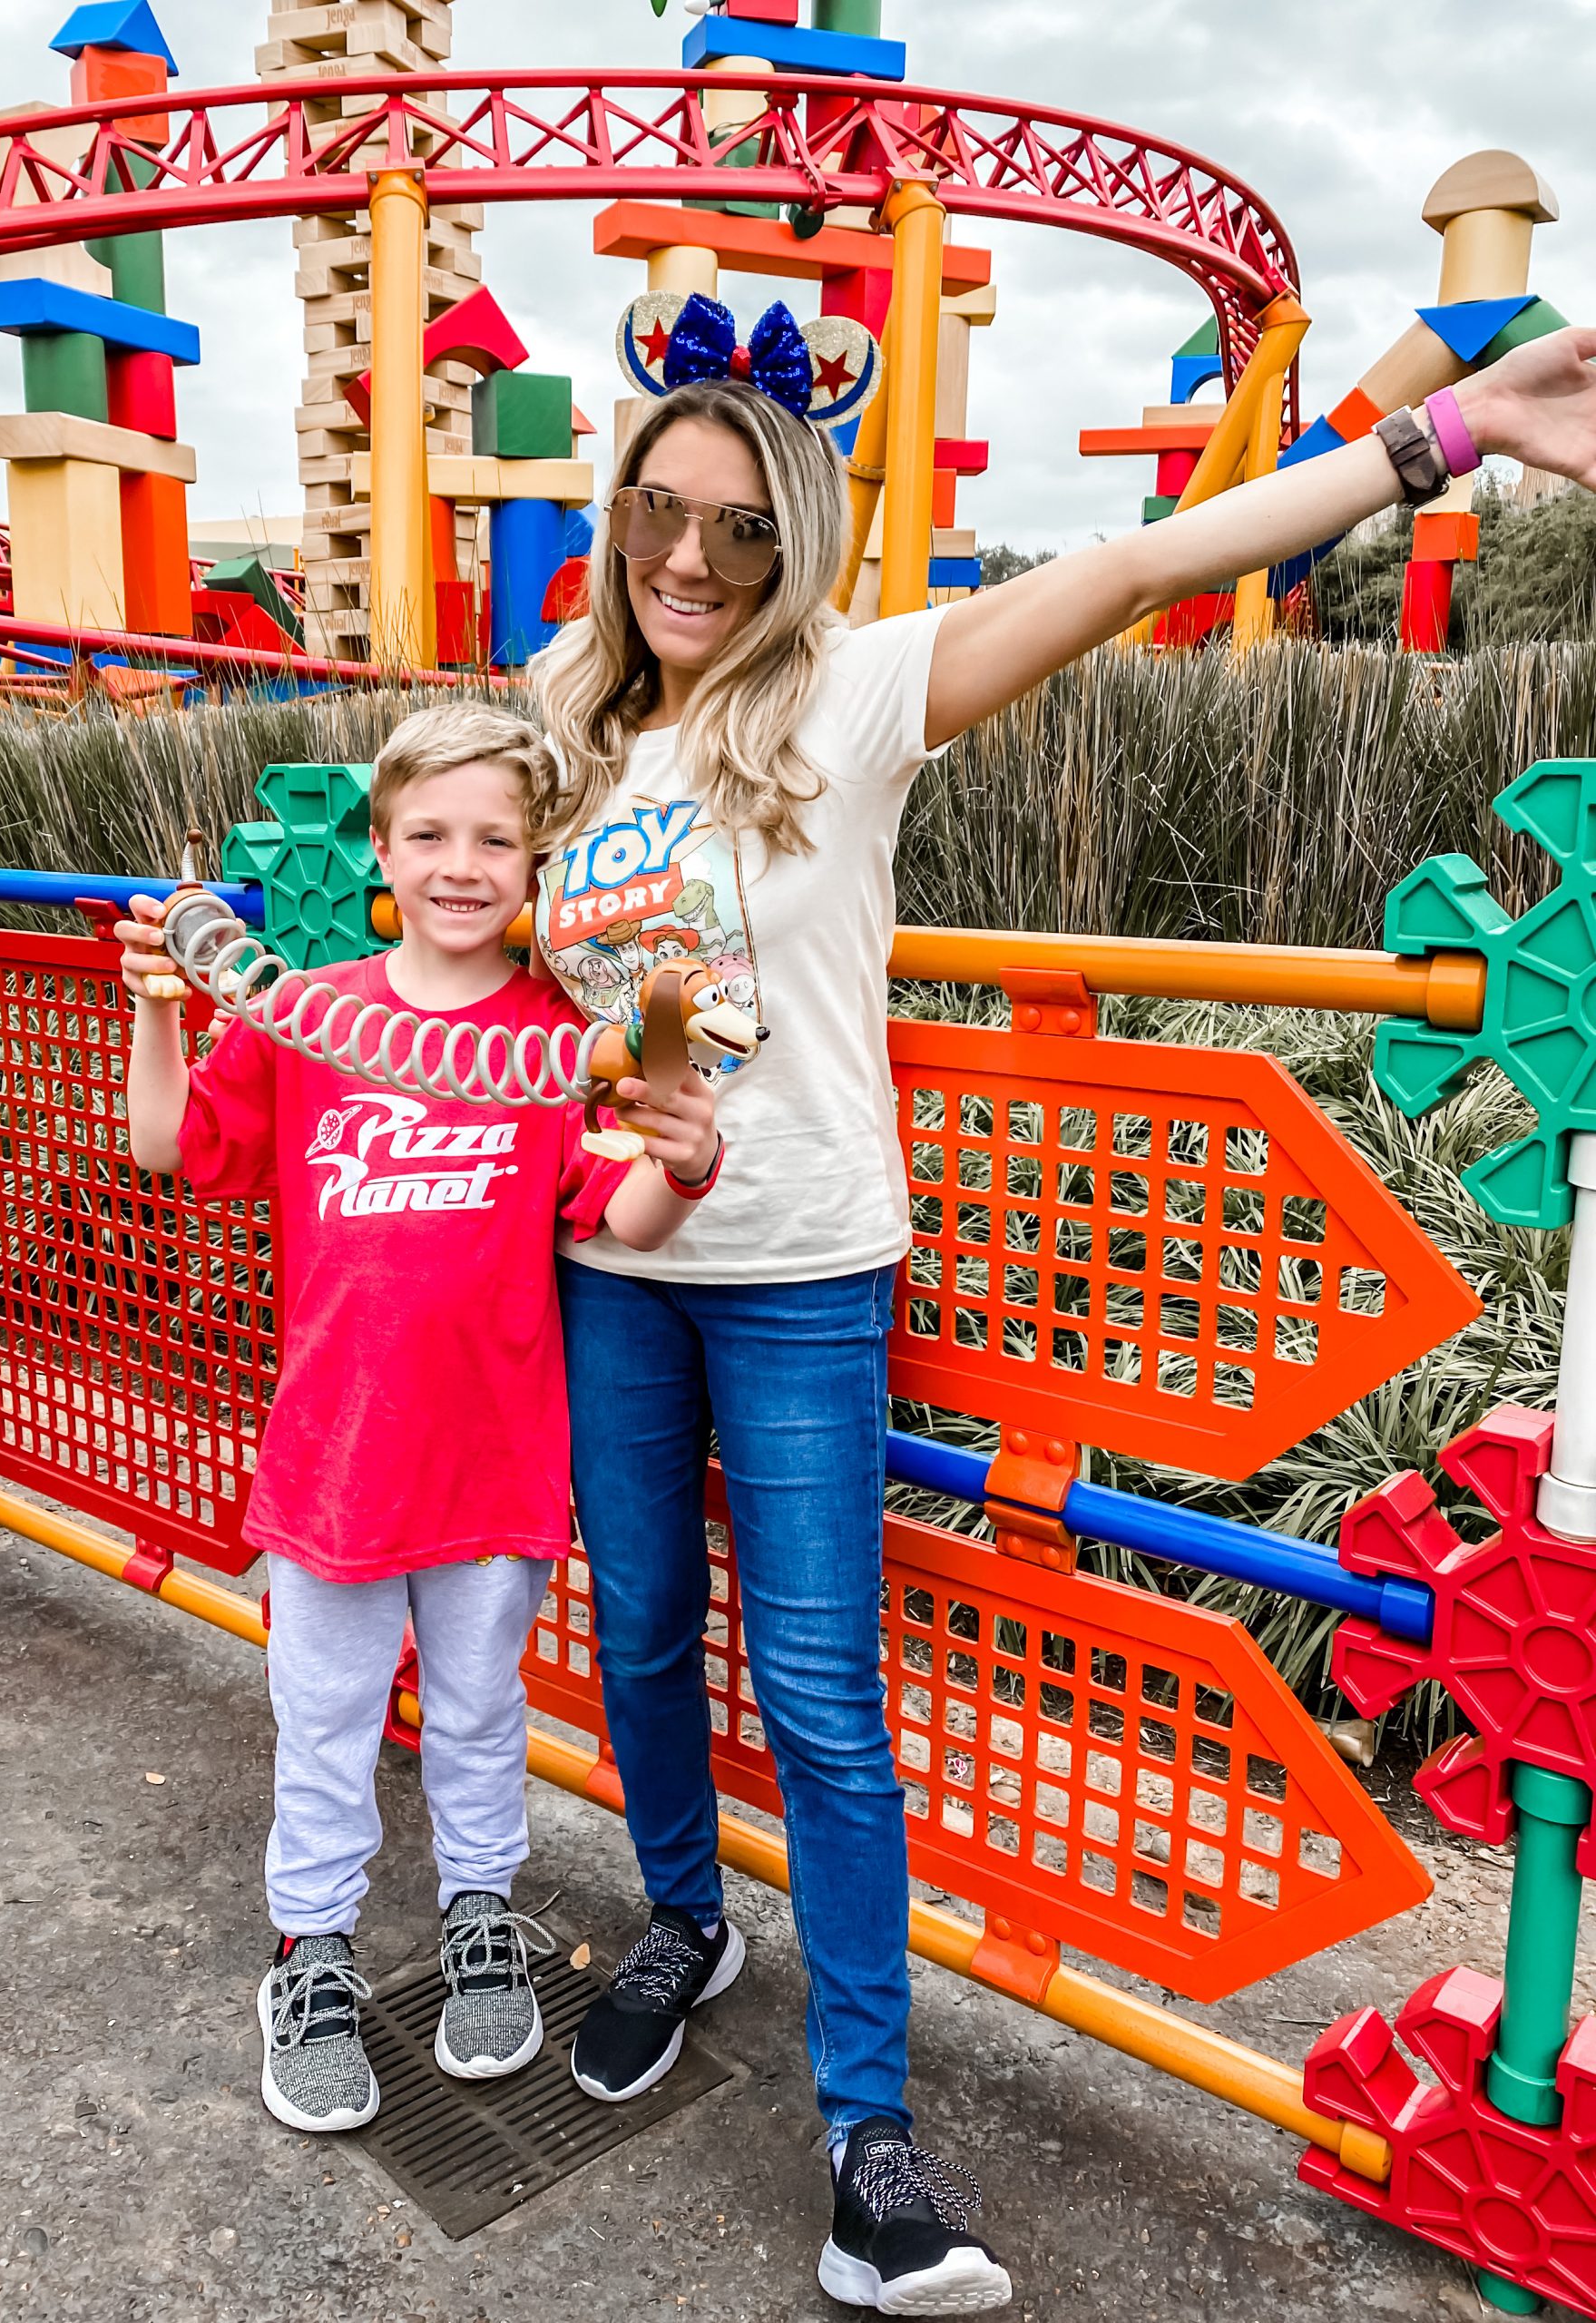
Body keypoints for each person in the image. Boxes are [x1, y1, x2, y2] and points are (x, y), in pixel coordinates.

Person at [530, 319, 1596, 2316]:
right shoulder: (561, 715)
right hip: (608, 1267)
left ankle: (868, 2142)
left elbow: (1135, 573)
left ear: (795, 546)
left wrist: (1439, 436)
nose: (687, 558)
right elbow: (531, 977)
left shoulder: (846, 693)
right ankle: (684, 1920)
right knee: (649, 1624)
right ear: (615, 521)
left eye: (736, 533)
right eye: (657, 514)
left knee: (831, 1710)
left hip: (793, 1273)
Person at [116, 703, 720, 2133]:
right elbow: (171, 1150)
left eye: (498, 839)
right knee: (321, 1718)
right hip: (332, 1458)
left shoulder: (569, 1039)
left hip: (494, 1456)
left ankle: (478, 1918)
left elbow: (616, 1214)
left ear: (538, 865)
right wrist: (157, 1005)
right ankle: (308, 1953)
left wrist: (688, 1157)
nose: (463, 863)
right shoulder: (307, 1011)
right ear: (381, 847)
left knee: (478, 1715)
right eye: (432, 834)